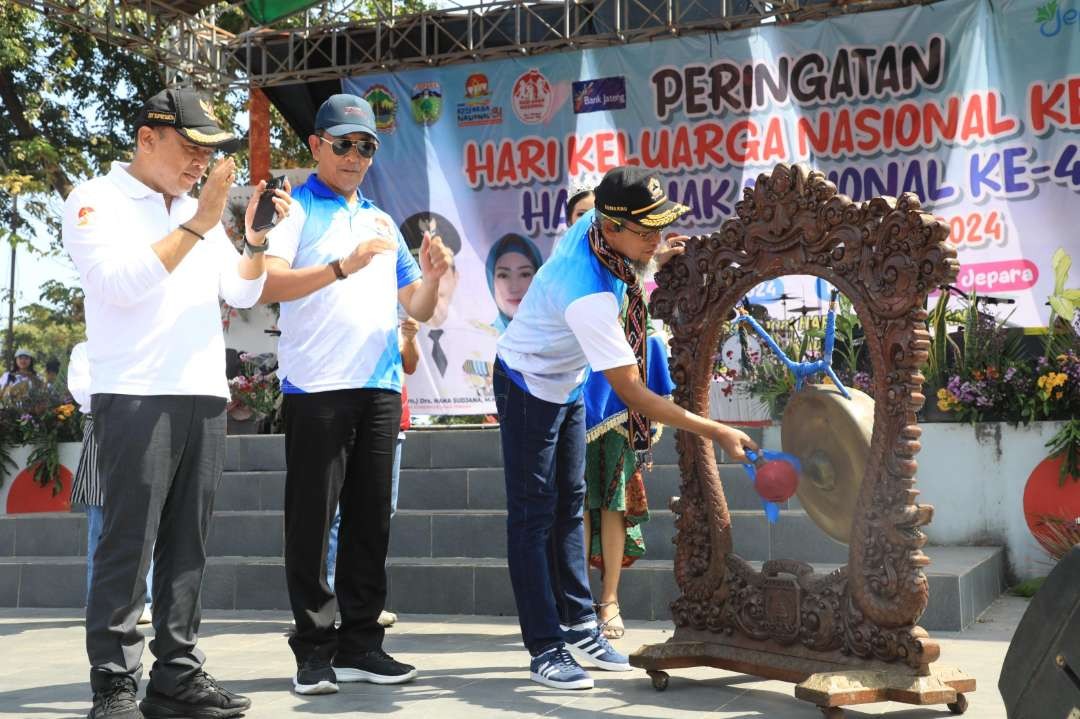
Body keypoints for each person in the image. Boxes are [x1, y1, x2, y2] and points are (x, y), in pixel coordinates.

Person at [63, 87, 289, 719]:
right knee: (126, 544)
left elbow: (240, 296)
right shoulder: (95, 200)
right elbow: (119, 284)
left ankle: (177, 674)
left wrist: (254, 241)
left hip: (202, 394)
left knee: (189, 544)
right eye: (190, 148)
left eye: (208, 152)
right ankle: (113, 682)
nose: (199, 163)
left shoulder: (198, 210)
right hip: (133, 394)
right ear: (147, 138)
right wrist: (197, 221)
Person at [494, 166, 757, 689]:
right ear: (610, 228)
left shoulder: (600, 224)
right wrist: (716, 430)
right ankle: (546, 649)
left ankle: (579, 624)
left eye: (660, 225)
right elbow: (635, 394)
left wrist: (650, 255)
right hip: (527, 384)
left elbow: (629, 235)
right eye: (646, 231)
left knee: (571, 503)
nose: (655, 239)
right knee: (533, 515)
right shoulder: (587, 291)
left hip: (566, 384)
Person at [259, 94, 453, 696]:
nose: (354, 155)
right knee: (312, 523)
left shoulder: (379, 219)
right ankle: (313, 650)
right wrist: (341, 267)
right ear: (315, 146)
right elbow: (269, 283)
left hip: (379, 386)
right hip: (316, 387)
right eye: (342, 143)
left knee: (372, 520)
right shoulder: (294, 210)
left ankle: (361, 643)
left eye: (365, 145)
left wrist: (433, 276)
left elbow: (413, 306)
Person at [326, 316, 421, 628]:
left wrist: (408, 337)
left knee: (381, 512)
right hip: (350, 417)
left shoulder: (397, 315)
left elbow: (411, 364)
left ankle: (366, 600)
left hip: (392, 423)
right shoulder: (353, 315)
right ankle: (333, 598)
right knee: (341, 514)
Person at [67, 342, 154, 626]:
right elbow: (83, 394)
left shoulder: (143, 344)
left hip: (142, 429)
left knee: (146, 519)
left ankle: (146, 600)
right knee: (100, 525)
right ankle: (98, 600)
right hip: (101, 430)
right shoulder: (85, 350)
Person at [486, 233, 543, 333]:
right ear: (491, 282)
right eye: (503, 275)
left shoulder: (560, 338)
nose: (514, 288)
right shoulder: (479, 340)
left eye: (524, 274)